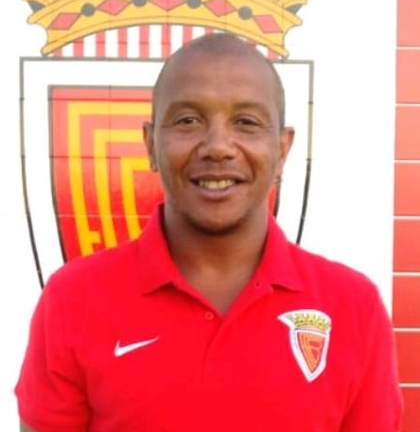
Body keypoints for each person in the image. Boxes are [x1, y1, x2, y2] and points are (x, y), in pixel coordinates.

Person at [16, 33, 402, 432]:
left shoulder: (353, 308)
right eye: (188, 120)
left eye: (246, 122)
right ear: (150, 144)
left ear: (282, 150)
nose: (218, 146)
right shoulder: (73, 299)